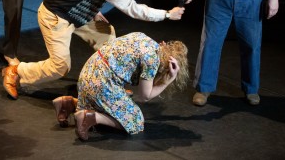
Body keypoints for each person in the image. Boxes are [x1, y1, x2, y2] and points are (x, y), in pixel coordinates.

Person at [2, 0, 186, 99]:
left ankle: (109, 83)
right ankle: (16, 71)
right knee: (60, 67)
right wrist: (168, 14)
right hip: (57, 17)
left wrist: (93, 10)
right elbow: (133, 9)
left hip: (80, 15)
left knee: (108, 38)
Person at [52, 32, 190, 141]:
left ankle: (68, 104)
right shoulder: (152, 60)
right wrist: (169, 79)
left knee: (121, 98)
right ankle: (90, 118)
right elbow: (144, 96)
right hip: (101, 84)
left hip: (88, 73)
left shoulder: (143, 37)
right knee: (136, 123)